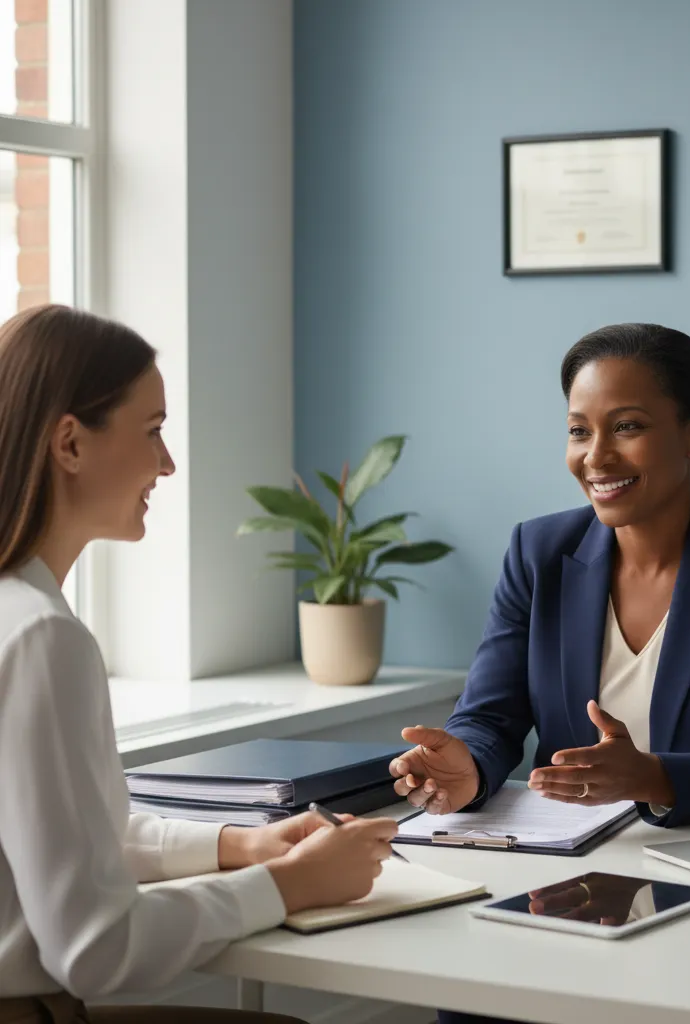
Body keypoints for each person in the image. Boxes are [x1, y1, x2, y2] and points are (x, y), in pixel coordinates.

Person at [389, 323, 690, 1024]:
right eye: (578, 431)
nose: (595, 456)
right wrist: (469, 767)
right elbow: (492, 714)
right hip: (566, 882)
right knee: (471, 1000)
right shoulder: (540, 550)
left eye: (626, 427)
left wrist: (654, 776)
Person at [0, 305, 399, 1024]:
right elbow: (93, 948)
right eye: (152, 431)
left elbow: (68, 833)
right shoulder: (39, 639)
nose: (168, 462)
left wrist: (240, 845)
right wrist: (288, 886)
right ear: (69, 443)